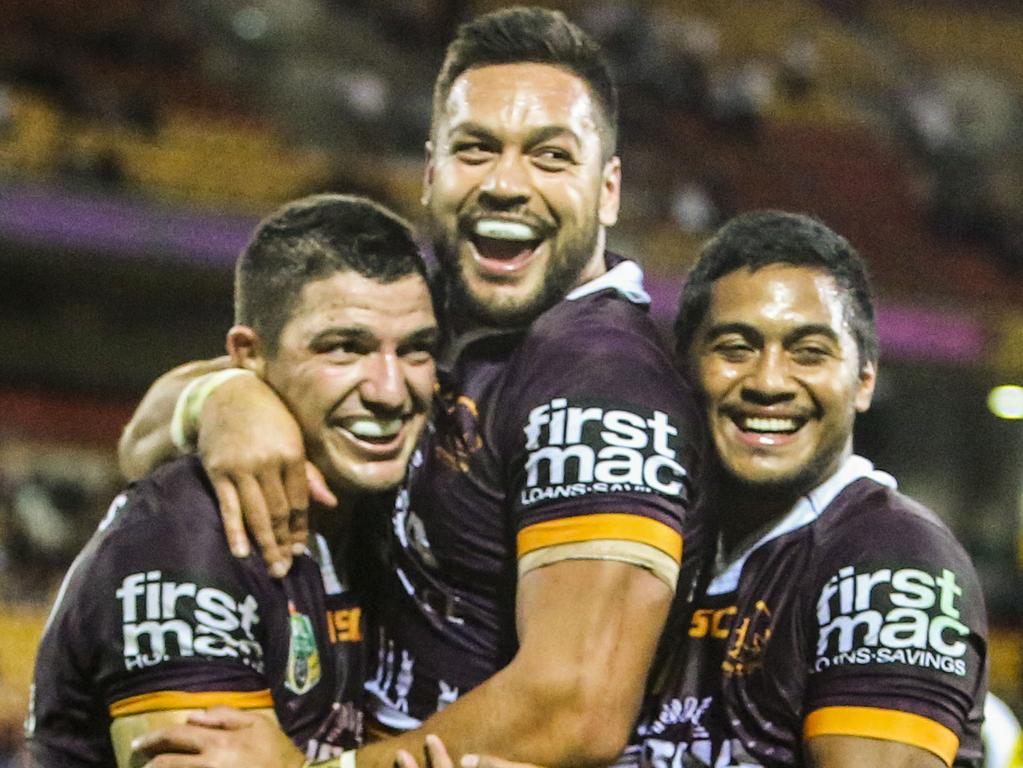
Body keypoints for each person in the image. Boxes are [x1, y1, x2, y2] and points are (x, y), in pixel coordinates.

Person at [121, 7, 706, 768]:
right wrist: (224, 400)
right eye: (476, 150)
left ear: (609, 191)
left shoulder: (602, 385)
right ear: (431, 172)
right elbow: (139, 440)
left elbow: (574, 708)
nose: (505, 183)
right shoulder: (426, 313)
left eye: (550, 157)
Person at [25, 194, 439, 767]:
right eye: (345, 348)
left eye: (417, 350)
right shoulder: (188, 538)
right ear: (249, 355)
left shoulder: (379, 503)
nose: (391, 391)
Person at [629, 211, 988, 767]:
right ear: (685, 370)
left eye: (809, 352)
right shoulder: (657, 535)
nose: (768, 382)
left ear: (864, 379)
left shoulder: (896, 567)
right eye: (735, 347)